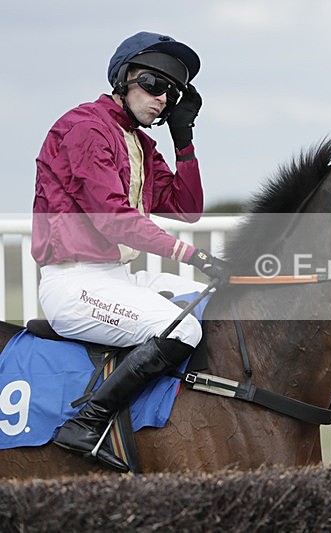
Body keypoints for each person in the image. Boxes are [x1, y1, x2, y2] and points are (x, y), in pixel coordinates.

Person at [32, 31, 228, 472]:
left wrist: (183, 140)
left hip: (117, 277)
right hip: (74, 283)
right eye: (153, 84)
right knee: (182, 330)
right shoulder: (85, 129)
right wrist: (191, 256)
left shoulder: (139, 142)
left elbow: (187, 207)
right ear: (123, 79)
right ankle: (86, 423)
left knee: (214, 305)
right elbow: (113, 219)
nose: (162, 99)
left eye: (171, 93)